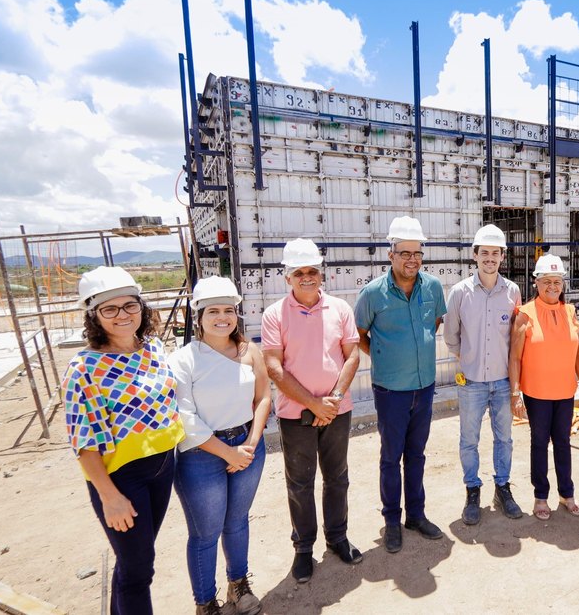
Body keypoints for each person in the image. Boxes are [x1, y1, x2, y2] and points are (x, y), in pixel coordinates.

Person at [63, 266, 184, 615]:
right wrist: (109, 496)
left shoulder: (154, 349)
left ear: (141, 308)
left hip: (164, 467)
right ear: (94, 316)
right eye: (109, 309)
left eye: (130, 306)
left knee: (133, 560)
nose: (122, 315)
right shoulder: (84, 367)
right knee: (139, 570)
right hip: (122, 478)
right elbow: (83, 442)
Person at [262, 239, 363, 583]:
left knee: (337, 477)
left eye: (312, 271)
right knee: (300, 483)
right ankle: (303, 548)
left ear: (322, 273)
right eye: (299, 272)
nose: (307, 277)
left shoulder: (340, 309)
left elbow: (352, 355)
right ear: (287, 277)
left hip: (337, 410)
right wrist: (313, 403)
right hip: (296, 415)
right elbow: (274, 368)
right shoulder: (275, 315)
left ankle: (337, 538)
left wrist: (332, 399)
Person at [170, 277, 270, 615]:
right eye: (213, 311)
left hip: (247, 446)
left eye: (229, 310)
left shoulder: (249, 351)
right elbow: (185, 416)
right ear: (198, 316)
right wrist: (229, 453)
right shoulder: (183, 360)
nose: (222, 317)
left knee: (237, 521)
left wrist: (251, 443)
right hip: (201, 455)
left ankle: (238, 586)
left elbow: (263, 397)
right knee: (205, 532)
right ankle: (205, 602)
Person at [354, 215, 447, 552]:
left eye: (417, 253)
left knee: (417, 455)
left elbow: (434, 322)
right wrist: (384, 357)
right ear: (390, 254)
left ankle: (416, 515)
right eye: (405, 253)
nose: (412, 260)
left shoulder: (433, 287)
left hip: (423, 387)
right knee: (391, 457)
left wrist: (414, 351)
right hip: (390, 391)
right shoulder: (373, 293)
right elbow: (359, 335)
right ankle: (392, 519)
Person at [443, 224, 523, 525]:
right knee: (469, 439)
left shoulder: (512, 291)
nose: (490, 258)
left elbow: (516, 336)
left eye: (495, 253)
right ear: (475, 255)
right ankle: (472, 489)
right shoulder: (460, 292)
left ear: (503, 256)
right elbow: (451, 334)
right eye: (484, 252)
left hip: (503, 382)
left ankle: (502, 487)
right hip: (472, 383)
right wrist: (467, 358)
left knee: (505, 439)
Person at [508, 254, 579, 519]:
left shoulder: (569, 311)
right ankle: (540, 497)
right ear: (536, 283)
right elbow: (515, 357)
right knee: (540, 442)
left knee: (563, 443)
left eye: (557, 281)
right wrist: (515, 393)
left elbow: (578, 353)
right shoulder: (525, 314)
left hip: (565, 391)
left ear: (563, 284)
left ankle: (567, 494)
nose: (552, 287)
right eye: (546, 281)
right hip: (537, 393)